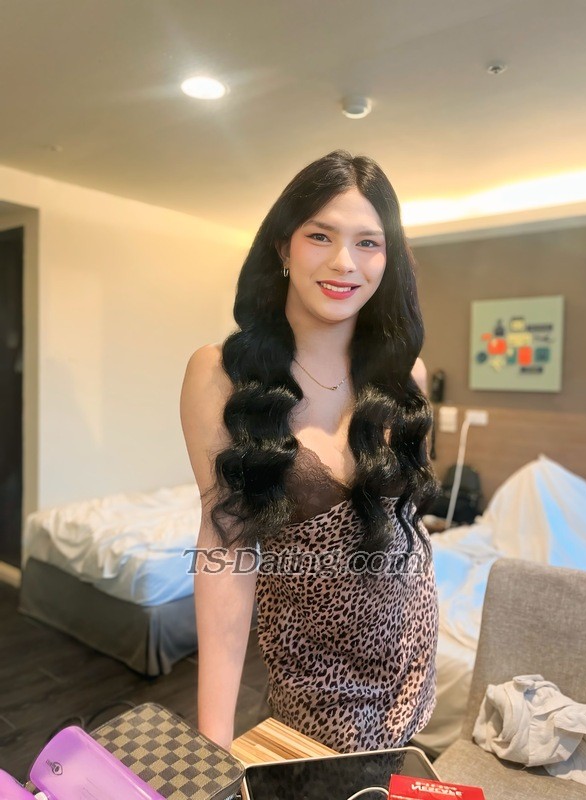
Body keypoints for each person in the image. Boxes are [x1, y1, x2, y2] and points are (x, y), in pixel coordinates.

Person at [180, 149, 438, 754]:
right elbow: (225, 547)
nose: (344, 261)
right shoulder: (221, 375)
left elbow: (407, 523)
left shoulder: (407, 378)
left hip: (411, 660)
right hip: (310, 680)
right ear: (283, 246)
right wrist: (213, 742)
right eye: (320, 235)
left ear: (387, 260)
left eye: (369, 243)